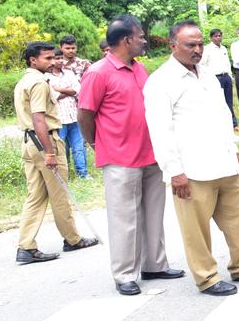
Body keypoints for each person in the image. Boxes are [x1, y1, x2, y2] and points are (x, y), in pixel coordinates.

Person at [143, 22, 239, 296]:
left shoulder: (208, 74)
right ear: (172, 45)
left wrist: (234, 149)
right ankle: (207, 277)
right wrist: (174, 171)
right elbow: (159, 131)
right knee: (196, 231)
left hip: (223, 162)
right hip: (191, 170)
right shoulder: (160, 82)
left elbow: (224, 114)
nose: (198, 50)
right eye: (191, 45)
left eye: (200, 44)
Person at [79, 15, 181, 295]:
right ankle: (125, 274)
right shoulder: (98, 72)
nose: (144, 41)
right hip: (119, 156)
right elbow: (85, 113)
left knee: (154, 212)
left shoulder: (140, 69)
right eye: (140, 37)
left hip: (150, 152)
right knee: (124, 218)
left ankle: (155, 265)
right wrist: (95, 144)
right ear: (126, 40)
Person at [14, 42, 99, 264]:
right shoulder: (39, 83)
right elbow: (38, 118)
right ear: (33, 60)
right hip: (44, 141)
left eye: (54, 58)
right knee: (59, 193)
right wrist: (50, 152)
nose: (54, 62)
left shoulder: (24, 80)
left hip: (29, 142)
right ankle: (73, 239)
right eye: (48, 58)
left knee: (36, 196)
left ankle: (26, 246)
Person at [45, 48, 88, 179]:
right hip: (59, 119)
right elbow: (53, 96)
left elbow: (77, 90)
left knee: (78, 147)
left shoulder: (69, 73)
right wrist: (68, 91)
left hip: (74, 116)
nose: (59, 61)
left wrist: (60, 89)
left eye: (60, 58)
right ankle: (65, 175)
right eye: (57, 58)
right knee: (61, 149)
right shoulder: (46, 77)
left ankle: (83, 173)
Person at [203, 28, 238, 129]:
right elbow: (202, 64)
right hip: (215, 78)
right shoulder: (207, 49)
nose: (218, 38)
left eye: (219, 36)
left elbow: (227, 63)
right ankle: (220, 124)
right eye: (216, 36)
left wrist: (230, 76)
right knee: (217, 101)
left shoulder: (223, 48)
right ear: (211, 38)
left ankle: (233, 124)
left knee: (229, 101)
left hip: (226, 76)